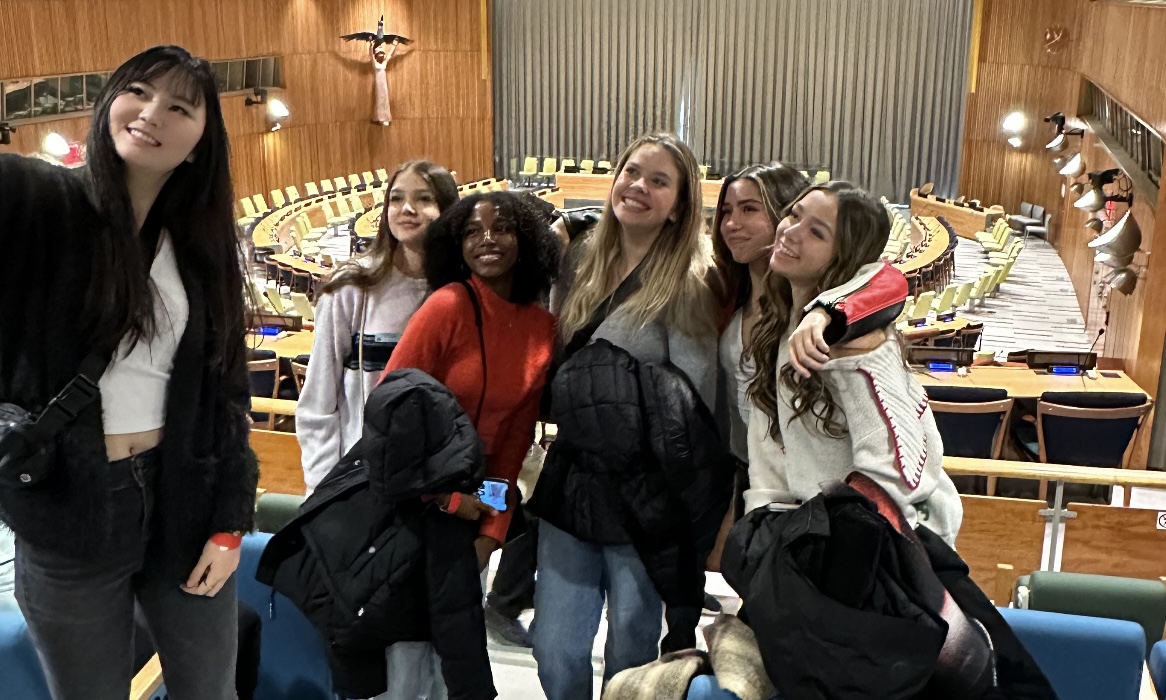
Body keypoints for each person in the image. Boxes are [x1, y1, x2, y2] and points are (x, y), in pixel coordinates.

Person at [0, 45, 254, 699]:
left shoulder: (200, 248)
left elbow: (226, 395)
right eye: (137, 92)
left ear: (200, 142)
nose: (150, 113)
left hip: (185, 506)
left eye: (178, 107)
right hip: (68, 511)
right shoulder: (47, 204)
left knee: (210, 692)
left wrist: (231, 522)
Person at [528, 132, 722, 700]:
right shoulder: (582, 257)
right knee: (554, 645)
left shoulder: (689, 279)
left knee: (631, 648)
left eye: (658, 181)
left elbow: (696, 406)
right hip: (573, 477)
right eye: (631, 172)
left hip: (644, 493)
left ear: (680, 205)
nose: (638, 187)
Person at [376, 190, 560, 697]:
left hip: (468, 517)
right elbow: (390, 414)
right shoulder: (447, 306)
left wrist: (491, 529)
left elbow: (512, 445)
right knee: (406, 666)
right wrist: (445, 500)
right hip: (412, 508)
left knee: (451, 662)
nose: (487, 240)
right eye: (473, 231)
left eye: (502, 228)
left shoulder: (542, 328)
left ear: (526, 240)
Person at [709, 163, 908, 566]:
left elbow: (888, 280)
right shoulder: (742, 299)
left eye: (750, 209)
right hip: (771, 498)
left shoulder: (850, 333)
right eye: (726, 211)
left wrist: (825, 314)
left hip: (849, 536)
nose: (732, 223)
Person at [744, 181, 962, 545]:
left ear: (844, 255)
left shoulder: (863, 343)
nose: (792, 232)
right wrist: (763, 529)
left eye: (816, 232)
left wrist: (844, 546)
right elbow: (770, 462)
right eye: (794, 215)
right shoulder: (779, 330)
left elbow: (896, 473)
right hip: (812, 534)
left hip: (881, 545)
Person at [297, 160, 458, 494]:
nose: (407, 209)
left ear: (448, 211)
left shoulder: (461, 293)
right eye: (396, 199)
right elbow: (318, 402)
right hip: (359, 480)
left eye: (424, 199)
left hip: (436, 485)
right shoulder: (350, 287)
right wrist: (324, 489)